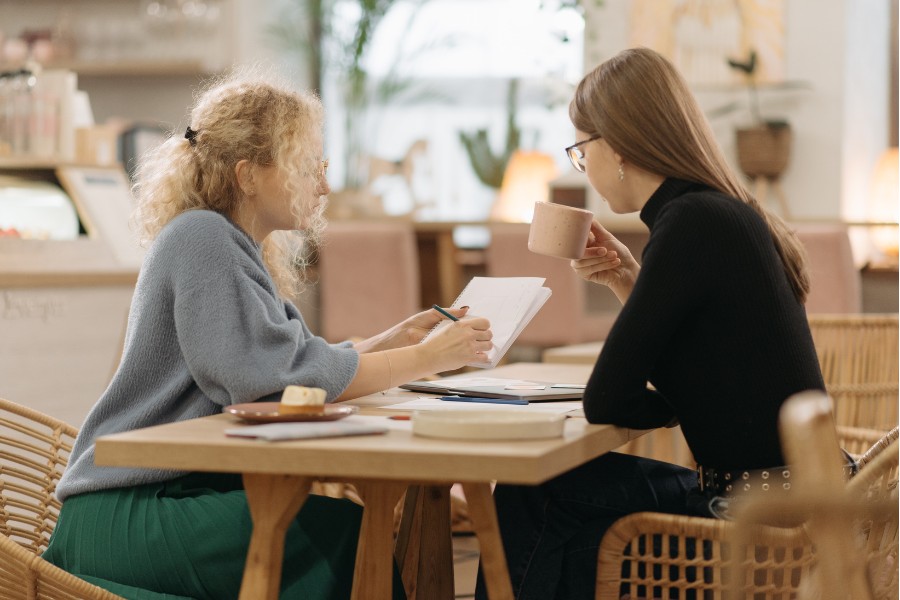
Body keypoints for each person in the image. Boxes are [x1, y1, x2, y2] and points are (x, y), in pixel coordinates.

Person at [43, 68, 493, 600]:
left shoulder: (227, 243)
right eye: (306, 167)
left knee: (340, 527)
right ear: (248, 174)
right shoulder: (203, 238)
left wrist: (391, 341)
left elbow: (291, 363)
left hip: (160, 496)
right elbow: (269, 382)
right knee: (341, 534)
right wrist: (425, 359)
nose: (323, 184)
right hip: (130, 510)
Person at [474, 47, 825, 600]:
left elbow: (606, 400)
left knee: (531, 492)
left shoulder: (689, 222)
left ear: (616, 147)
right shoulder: (716, 212)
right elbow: (711, 362)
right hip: (793, 498)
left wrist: (672, 408)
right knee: (558, 511)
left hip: (753, 518)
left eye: (580, 148)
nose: (581, 164)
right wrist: (626, 280)